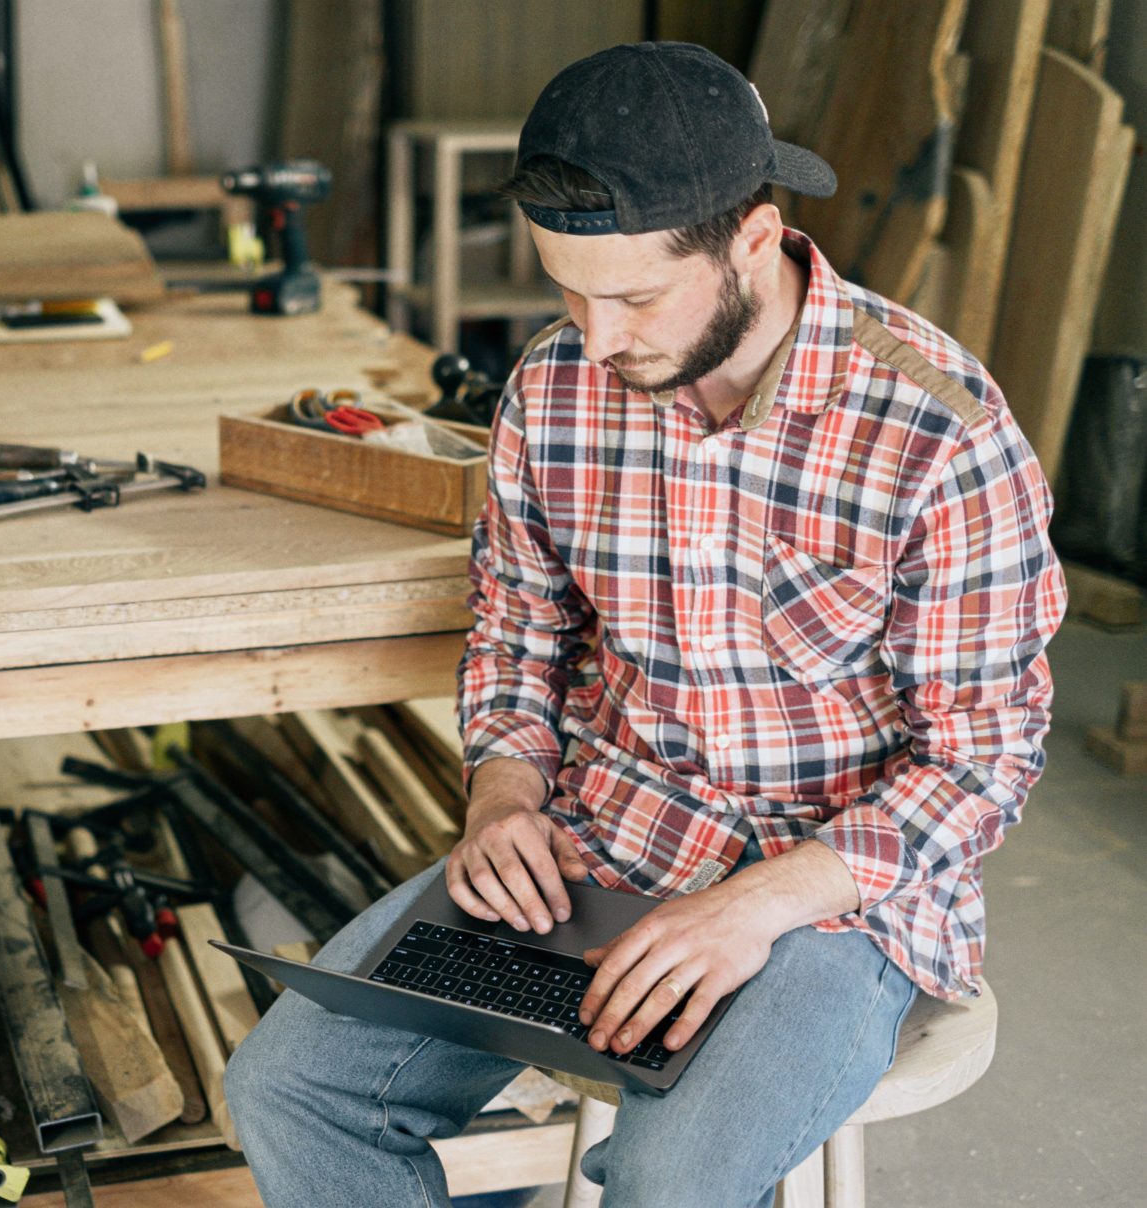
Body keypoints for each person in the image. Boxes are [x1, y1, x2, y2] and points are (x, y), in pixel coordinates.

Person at [223, 42, 1066, 1207]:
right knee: (289, 1088)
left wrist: (756, 904)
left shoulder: (937, 430)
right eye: (569, 289)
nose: (598, 336)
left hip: (834, 897)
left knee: (669, 1179)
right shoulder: (555, 385)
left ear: (754, 241)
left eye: (634, 296)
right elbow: (519, 627)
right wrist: (505, 787)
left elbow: (983, 755)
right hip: (607, 838)